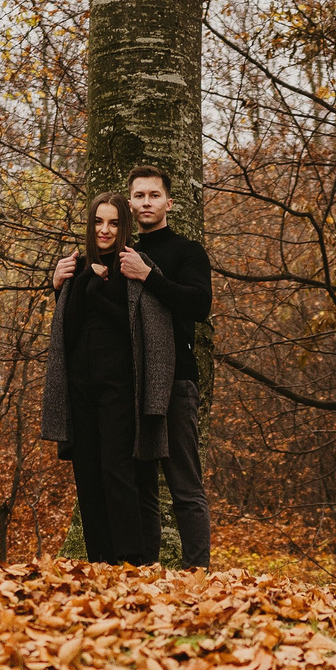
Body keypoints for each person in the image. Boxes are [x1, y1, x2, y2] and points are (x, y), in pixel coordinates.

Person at [42, 194, 176, 564]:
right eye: (99, 222)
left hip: (121, 385)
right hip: (79, 386)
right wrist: (63, 287)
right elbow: (65, 333)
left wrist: (96, 289)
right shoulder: (76, 266)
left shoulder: (133, 265)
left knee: (117, 469)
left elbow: (140, 326)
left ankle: (131, 559)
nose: (105, 230)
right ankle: (100, 558)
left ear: (125, 227)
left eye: (114, 223)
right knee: (87, 472)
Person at [118, 166, 212, 569]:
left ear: (168, 203)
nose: (146, 203)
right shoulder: (119, 252)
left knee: (185, 487)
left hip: (176, 381)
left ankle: (199, 576)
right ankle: (146, 575)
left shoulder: (187, 251)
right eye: (139, 196)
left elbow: (199, 304)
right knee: (141, 488)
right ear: (129, 203)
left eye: (153, 195)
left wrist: (148, 275)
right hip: (131, 384)